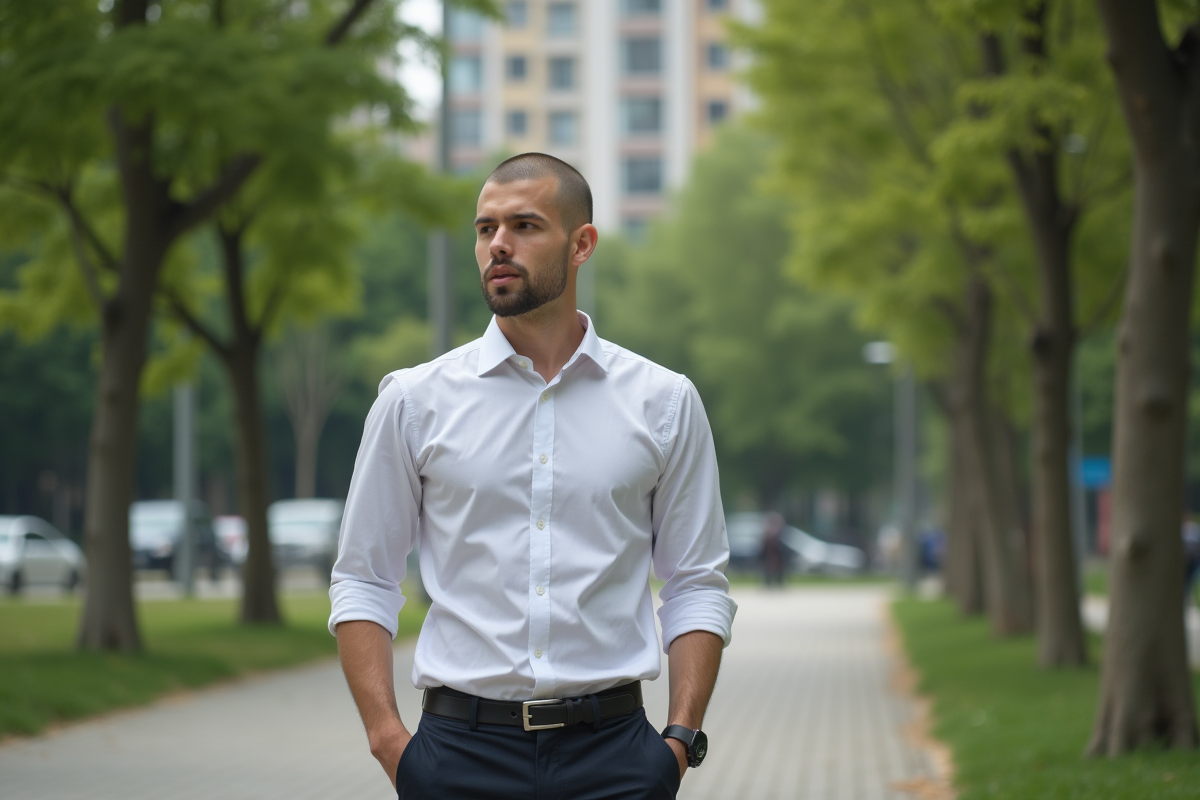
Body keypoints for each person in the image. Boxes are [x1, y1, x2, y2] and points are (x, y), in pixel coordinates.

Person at [329, 153, 737, 800]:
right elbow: (363, 579)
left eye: (524, 225)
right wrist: (390, 744)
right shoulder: (414, 401)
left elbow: (695, 583)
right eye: (485, 227)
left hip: (618, 760)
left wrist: (678, 744)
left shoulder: (663, 401)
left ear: (582, 244)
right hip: (457, 759)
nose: (498, 244)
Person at [761, 511, 786, 587]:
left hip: (777, 554)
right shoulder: (768, 532)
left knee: (779, 568)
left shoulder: (779, 531)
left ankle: (779, 582)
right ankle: (768, 582)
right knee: (767, 568)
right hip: (769, 554)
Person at [1183, 512, 1200, 609]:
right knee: (1188, 581)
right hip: (1187, 562)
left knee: (1192, 581)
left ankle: (1190, 598)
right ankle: (1188, 598)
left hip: (1194, 560)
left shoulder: (1194, 529)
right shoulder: (1184, 529)